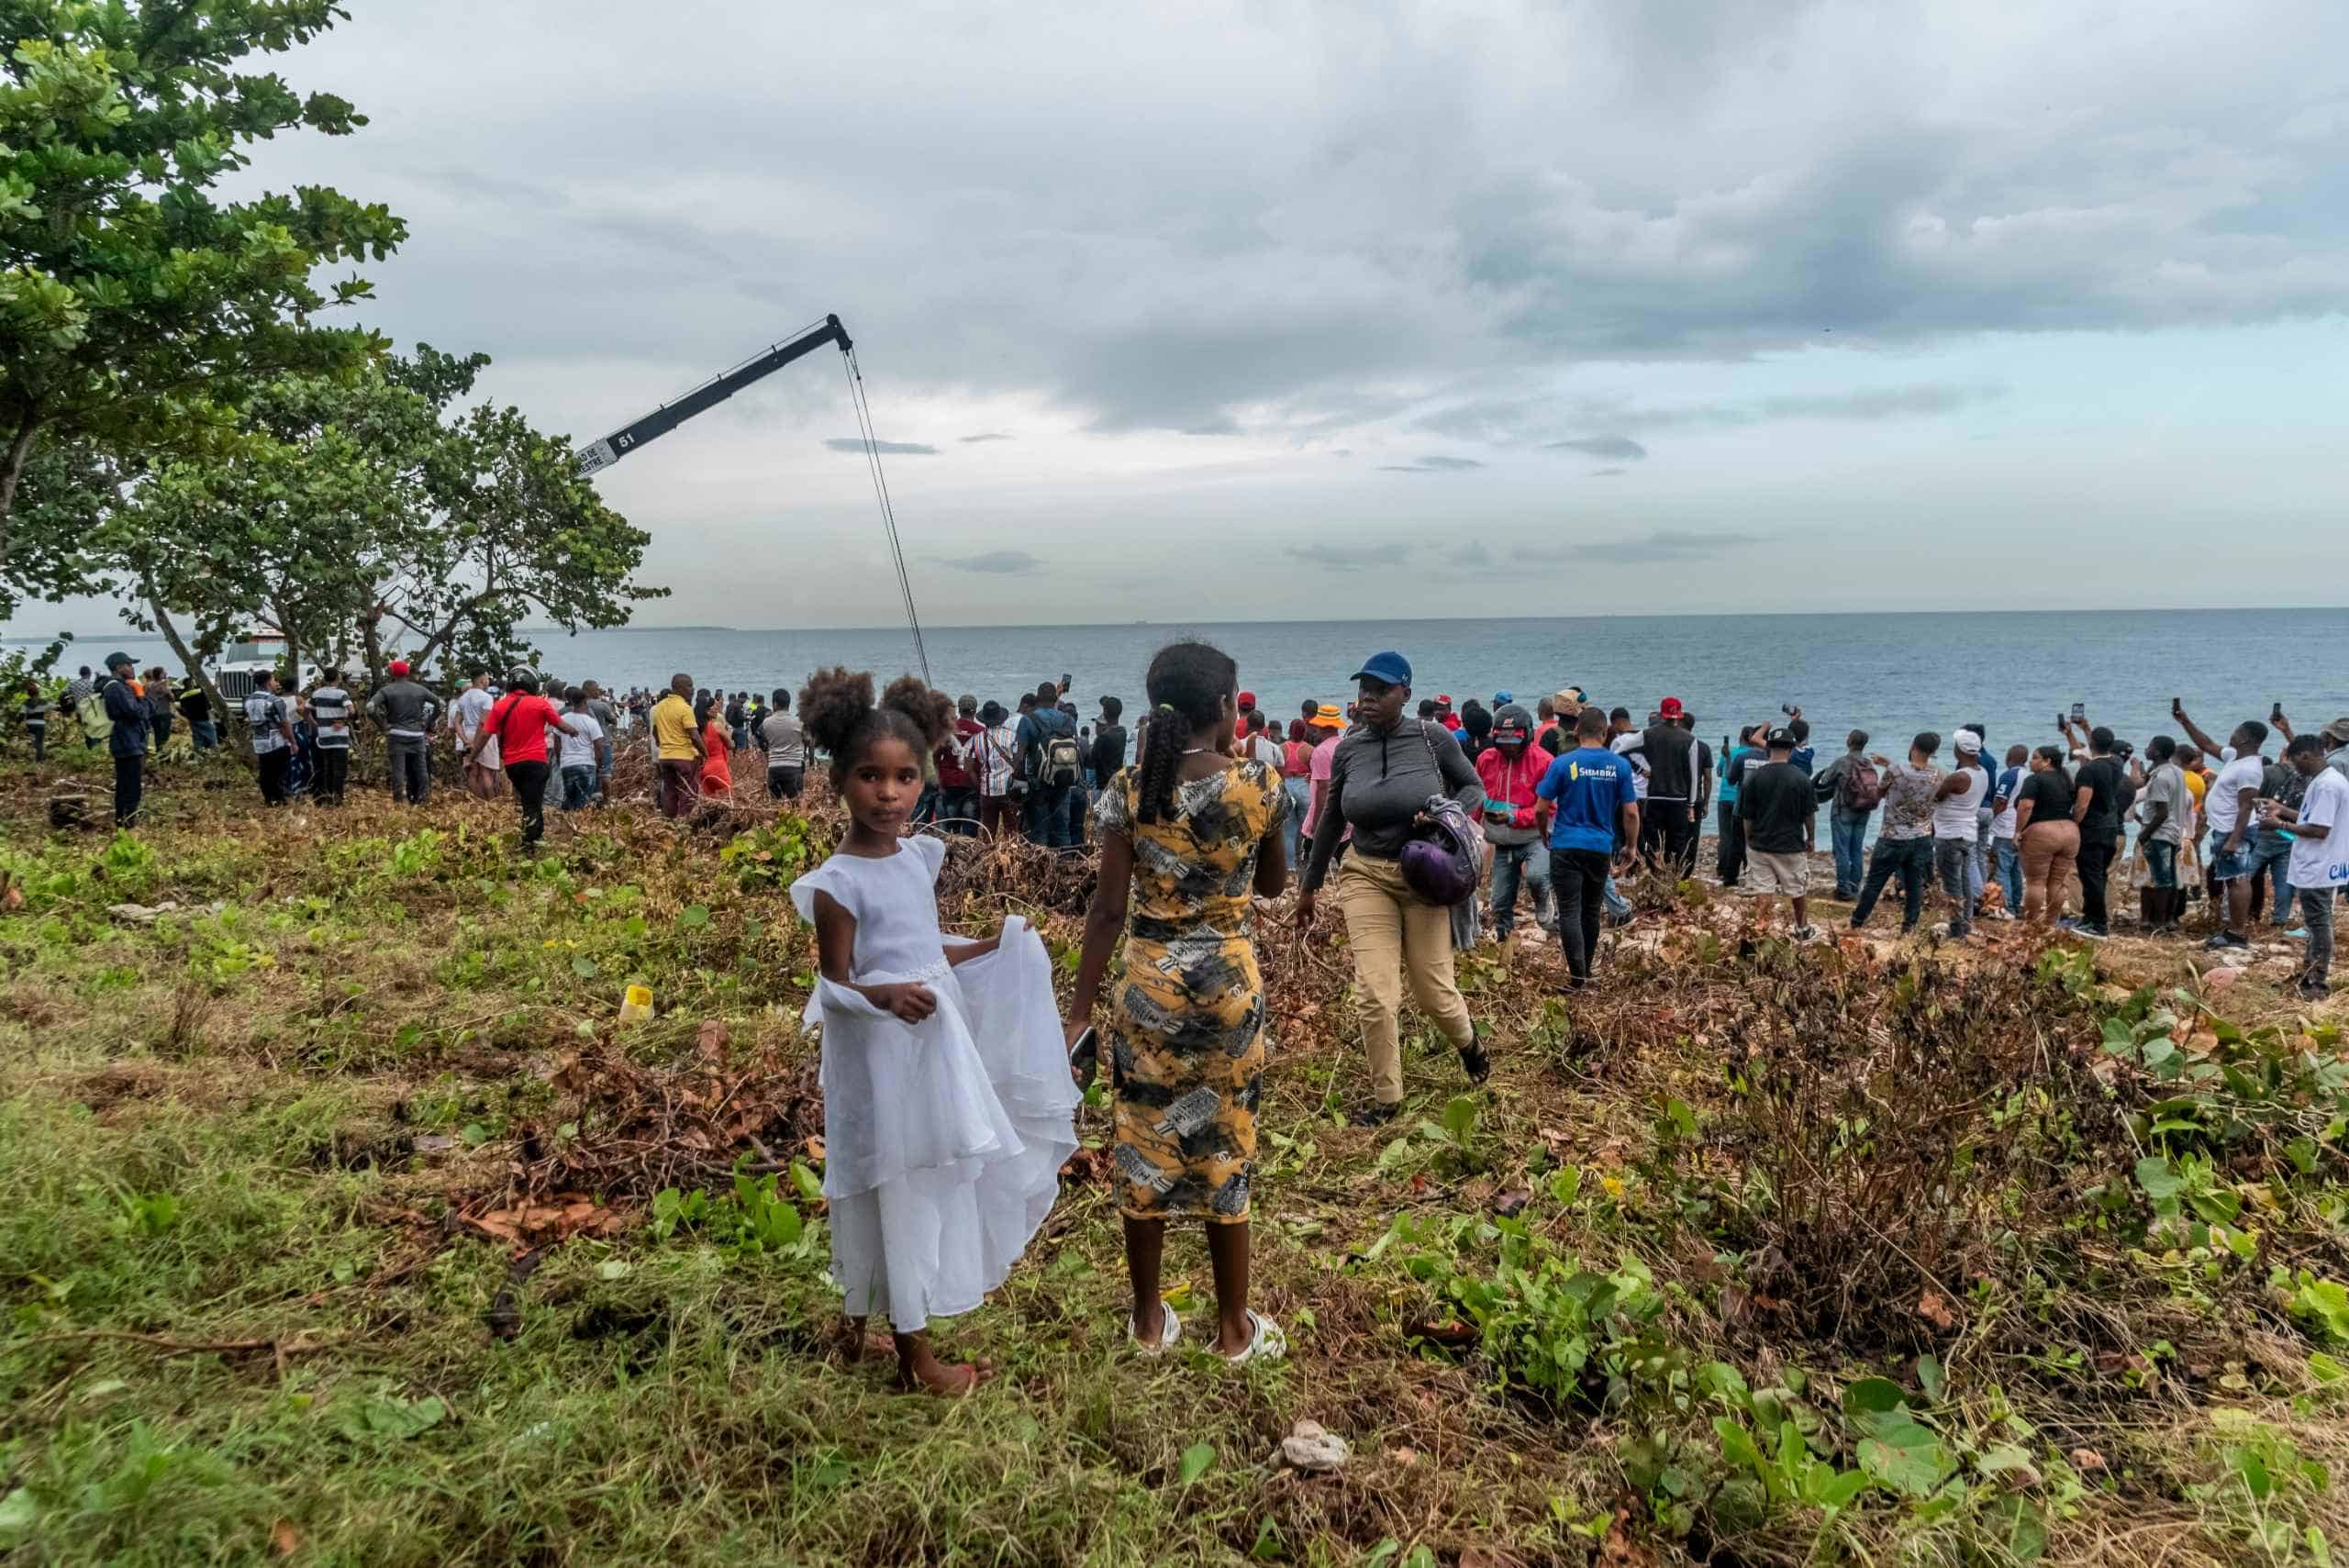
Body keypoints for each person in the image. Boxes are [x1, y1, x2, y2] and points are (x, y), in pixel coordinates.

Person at [790, 667, 1074, 1395]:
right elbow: (836, 983)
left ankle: (857, 1332)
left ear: (925, 778)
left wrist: (993, 947)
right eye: (869, 776)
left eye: (905, 776)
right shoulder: (837, 882)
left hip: (929, 1052)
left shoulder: (917, 856)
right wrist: (880, 996)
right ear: (837, 781)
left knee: (910, 1177)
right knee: (885, 1180)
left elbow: (923, 947)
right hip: (876, 1057)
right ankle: (914, 1356)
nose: (888, 793)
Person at [1066, 640, 1287, 1362]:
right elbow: (1273, 886)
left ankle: (1147, 1325)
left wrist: (1078, 1009)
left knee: (1144, 1147)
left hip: (1148, 983)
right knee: (1225, 1144)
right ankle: (1233, 1330)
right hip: (1228, 989)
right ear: (1225, 707)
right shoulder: (1260, 783)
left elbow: (1104, 912)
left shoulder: (1132, 787)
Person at [1297, 651, 1487, 1121]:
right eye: (1365, 689)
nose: (1370, 698)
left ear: (1405, 693)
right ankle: (1388, 1099)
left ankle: (1470, 1045)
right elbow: (1331, 817)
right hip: (1364, 873)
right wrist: (1309, 885)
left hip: (1424, 876)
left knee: (1433, 993)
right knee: (1376, 994)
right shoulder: (1348, 749)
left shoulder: (1432, 738)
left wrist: (1444, 812)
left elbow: (1474, 788)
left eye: (1381, 690)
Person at [1536, 706, 1640, 984]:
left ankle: (1577, 976)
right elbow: (1631, 813)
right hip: (1599, 846)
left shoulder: (1562, 764)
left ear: (1577, 731)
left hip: (1566, 844)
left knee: (1569, 910)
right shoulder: (1619, 766)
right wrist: (1631, 846)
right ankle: (1587, 971)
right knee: (1591, 910)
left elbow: (1540, 808)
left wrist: (1544, 833)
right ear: (1606, 733)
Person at [2172, 703, 2268, 951]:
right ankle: (2233, 928)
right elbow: (2206, 744)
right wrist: (2185, 720)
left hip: (2234, 830)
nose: (2232, 734)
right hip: (2225, 828)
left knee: (2238, 879)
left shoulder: (2249, 769)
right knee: (2233, 878)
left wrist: (2234, 839)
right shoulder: (2235, 757)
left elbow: (2246, 807)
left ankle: (2237, 933)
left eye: (2236, 732)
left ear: (2246, 738)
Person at [2262, 734, 2346, 1000]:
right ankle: (2308, 972)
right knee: (2315, 922)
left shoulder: (2327, 786)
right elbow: (2312, 817)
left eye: (2294, 760)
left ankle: (2317, 982)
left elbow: (2319, 829)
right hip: (2320, 861)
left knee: (2320, 923)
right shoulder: (2324, 782)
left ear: (2305, 756)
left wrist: (2280, 825)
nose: (2294, 767)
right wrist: (2282, 809)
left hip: (2320, 862)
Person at [467, 668, 574, 850]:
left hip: (513, 765)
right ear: (532, 684)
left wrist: (473, 756)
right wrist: (575, 731)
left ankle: (533, 836)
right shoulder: (540, 704)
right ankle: (530, 841)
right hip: (536, 762)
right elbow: (561, 725)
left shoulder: (500, 705)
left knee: (528, 799)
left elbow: (485, 735)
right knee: (533, 803)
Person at [1849, 733, 1943, 936]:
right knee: (1914, 884)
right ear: (1933, 752)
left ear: (1912, 745)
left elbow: (1879, 794)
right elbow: (1916, 778)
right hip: (1922, 837)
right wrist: (1888, 765)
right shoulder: (1940, 775)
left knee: (1875, 882)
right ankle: (1909, 928)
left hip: (1893, 837)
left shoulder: (1895, 771)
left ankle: (1856, 924)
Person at [1477, 705, 1552, 943]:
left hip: (1534, 838)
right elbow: (1477, 796)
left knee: (1538, 877)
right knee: (1499, 901)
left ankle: (1543, 902)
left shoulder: (1543, 761)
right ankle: (1503, 941)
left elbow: (1550, 808)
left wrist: (1514, 817)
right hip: (1502, 842)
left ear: (1527, 736)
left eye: (1514, 741)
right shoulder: (1486, 759)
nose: (1509, 746)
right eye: (1503, 741)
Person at [1739, 726, 1818, 939]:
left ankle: (1761, 930)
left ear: (1768, 748)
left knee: (1763, 890)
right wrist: (1811, 839)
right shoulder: (1801, 779)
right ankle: (1802, 929)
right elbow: (1809, 815)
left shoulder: (1753, 779)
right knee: (1797, 890)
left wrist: (1749, 841)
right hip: (1791, 844)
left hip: (1760, 844)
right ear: (1791, 750)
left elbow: (1747, 817)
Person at [1625, 697, 1702, 875]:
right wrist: (1691, 805)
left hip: (1654, 797)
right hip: (1678, 799)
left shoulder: (1648, 734)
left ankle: (1655, 876)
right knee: (1676, 843)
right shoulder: (1690, 739)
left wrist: (1639, 768)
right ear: (1678, 715)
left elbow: (1622, 749)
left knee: (1653, 842)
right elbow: (1693, 776)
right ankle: (1674, 879)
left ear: (1662, 713)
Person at [2066, 727, 2127, 939]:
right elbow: (2097, 746)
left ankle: (2098, 924)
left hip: (2092, 828)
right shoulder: (2117, 764)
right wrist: (2084, 727)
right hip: (2111, 827)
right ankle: (2090, 918)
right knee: (2099, 876)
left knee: (2090, 877)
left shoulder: (2088, 771)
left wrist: (2073, 825)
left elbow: (2082, 804)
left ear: (2091, 745)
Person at [2010, 746, 2080, 928]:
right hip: (2070, 831)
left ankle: (2031, 924)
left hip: (2043, 832)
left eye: (2034, 758)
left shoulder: (2035, 780)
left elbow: (2025, 806)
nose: (2030, 761)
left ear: (2047, 761)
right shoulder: (2066, 780)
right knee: (2057, 882)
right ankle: (2050, 923)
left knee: (2036, 882)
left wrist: (2018, 831)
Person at [1927, 731, 1987, 939]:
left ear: (1958, 750)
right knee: (1965, 883)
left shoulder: (1958, 776)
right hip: (1968, 833)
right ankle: (1967, 923)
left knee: (1952, 885)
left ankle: (1957, 930)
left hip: (1950, 835)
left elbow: (1936, 797)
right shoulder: (1983, 773)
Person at [1016, 681, 1082, 849]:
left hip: (1037, 784)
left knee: (1038, 833)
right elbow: (1075, 750)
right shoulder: (1069, 720)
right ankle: (1067, 869)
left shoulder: (1027, 720)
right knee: (1062, 831)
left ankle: (1043, 871)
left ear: (1037, 699)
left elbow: (1020, 756)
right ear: (1055, 699)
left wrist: (1019, 781)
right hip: (1063, 782)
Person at [1812, 729, 1877, 901]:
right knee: (1856, 850)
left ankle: (1843, 888)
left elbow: (1825, 781)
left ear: (1849, 742)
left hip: (1843, 810)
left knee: (1842, 851)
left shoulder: (1842, 762)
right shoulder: (1868, 764)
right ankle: (1855, 887)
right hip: (1864, 811)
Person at [368, 660, 441, 806]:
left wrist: (382, 725)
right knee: (421, 769)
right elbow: (440, 703)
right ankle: (424, 799)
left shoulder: (387, 690)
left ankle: (399, 802)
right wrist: (428, 722)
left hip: (397, 735)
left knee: (398, 771)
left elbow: (370, 707)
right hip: (417, 734)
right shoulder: (420, 689)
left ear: (392, 674)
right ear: (408, 673)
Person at [98, 654, 149, 826]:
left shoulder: (118, 686)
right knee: (130, 784)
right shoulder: (117, 688)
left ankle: (124, 818)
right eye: (129, 665)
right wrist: (141, 695)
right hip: (128, 740)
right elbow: (136, 712)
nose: (132, 668)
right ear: (119, 667)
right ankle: (127, 820)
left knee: (126, 782)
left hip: (127, 739)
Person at [650, 673, 705, 819]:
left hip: (665, 757)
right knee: (688, 793)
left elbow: (655, 732)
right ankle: (684, 824)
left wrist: (661, 743)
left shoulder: (659, 707)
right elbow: (694, 735)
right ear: (679, 687)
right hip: (684, 758)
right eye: (689, 686)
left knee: (669, 792)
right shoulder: (685, 708)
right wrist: (705, 753)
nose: (692, 689)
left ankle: (669, 822)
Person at [241, 669, 297, 806]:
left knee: (265, 772)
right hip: (276, 741)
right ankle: (279, 799)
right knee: (280, 772)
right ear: (268, 682)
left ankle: (268, 799)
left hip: (259, 741)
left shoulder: (248, 700)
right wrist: (293, 742)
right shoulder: (274, 700)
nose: (275, 683)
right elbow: (284, 723)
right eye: (273, 680)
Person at [1303, 703, 1345, 867]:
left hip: (1326, 815)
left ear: (1320, 726)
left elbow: (1323, 788)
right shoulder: (1344, 745)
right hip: (1344, 814)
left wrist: (1316, 825)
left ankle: (1307, 891)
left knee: (1311, 863)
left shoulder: (1321, 751)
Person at [1989, 744, 2029, 918]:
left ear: (2009, 758)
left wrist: (1992, 817)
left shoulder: (2009, 775)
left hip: (2006, 827)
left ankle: (2006, 907)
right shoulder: (2031, 775)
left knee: (2002, 868)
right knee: (2016, 868)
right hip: (2023, 827)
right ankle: (2016, 903)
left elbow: (2000, 800)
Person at [1716, 725, 1759, 886]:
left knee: (1726, 837)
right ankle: (1748, 867)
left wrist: (1726, 758)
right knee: (1747, 837)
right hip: (1742, 800)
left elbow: (1721, 773)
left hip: (1725, 798)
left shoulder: (1731, 753)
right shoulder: (1753, 756)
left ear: (1740, 737)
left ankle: (1723, 869)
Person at [557, 685, 607, 810]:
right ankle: (579, 824)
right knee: (583, 802)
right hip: (586, 764)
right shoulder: (591, 722)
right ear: (585, 701)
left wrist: (560, 761)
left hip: (567, 764)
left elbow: (557, 745)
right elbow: (599, 749)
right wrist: (599, 766)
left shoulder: (562, 720)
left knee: (570, 799)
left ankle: (569, 823)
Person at [451, 672, 501, 800]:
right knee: (486, 773)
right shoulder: (486, 698)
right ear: (482, 680)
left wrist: (465, 740)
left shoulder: (463, 698)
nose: (488, 681)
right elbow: (484, 723)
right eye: (487, 678)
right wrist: (477, 741)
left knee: (473, 773)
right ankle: (491, 805)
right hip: (484, 736)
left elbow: (457, 722)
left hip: (468, 734)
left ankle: (477, 803)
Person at [308, 670, 354, 806]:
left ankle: (327, 797)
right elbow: (352, 711)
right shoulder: (342, 694)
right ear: (338, 678)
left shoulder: (316, 693)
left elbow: (305, 710)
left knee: (327, 768)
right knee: (339, 769)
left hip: (323, 737)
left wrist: (314, 724)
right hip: (339, 738)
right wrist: (342, 722)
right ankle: (338, 799)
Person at [974, 700, 1019, 837]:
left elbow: (969, 767)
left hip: (987, 791)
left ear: (984, 720)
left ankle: (988, 855)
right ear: (1001, 718)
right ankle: (1010, 854)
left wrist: (979, 785)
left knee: (988, 829)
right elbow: (1020, 760)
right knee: (1011, 829)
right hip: (1008, 790)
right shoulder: (1012, 736)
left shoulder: (976, 739)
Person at [1278, 717, 1315, 869]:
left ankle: (1290, 866)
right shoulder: (1310, 749)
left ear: (1289, 731)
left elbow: (1277, 770)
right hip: (1303, 786)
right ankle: (1307, 860)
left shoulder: (1281, 748)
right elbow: (1314, 772)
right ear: (1304, 732)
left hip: (1286, 785)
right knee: (1307, 827)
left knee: (1289, 830)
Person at [761, 688, 807, 801]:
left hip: (774, 768)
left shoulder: (766, 723)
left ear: (775, 704)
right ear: (789, 703)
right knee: (796, 805)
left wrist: (767, 753)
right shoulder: (799, 722)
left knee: (776, 807)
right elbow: (809, 740)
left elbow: (761, 740)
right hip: (794, 767)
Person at [582, 681, 621, 802]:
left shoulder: (579, 706)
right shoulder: (601, 705)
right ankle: (606, 801)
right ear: (589, 691)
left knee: (590, 771)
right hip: (603, 742)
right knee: (605, 772)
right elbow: (614, 720)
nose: (598, 691)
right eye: (596, 689)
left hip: (586, 743)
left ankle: (590, 799)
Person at [696, 693, 733, 798]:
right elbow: (731, 745)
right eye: (713, 705)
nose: (716, 707)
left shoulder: (697, 729)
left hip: (703, 769)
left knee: (711, 800)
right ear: (707, 710)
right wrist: (729, 733)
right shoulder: (716, 726)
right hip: (718, 766)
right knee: (728, 797)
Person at [176, 676, 216, 751]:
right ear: (192, 684)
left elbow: (183, 710)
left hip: (192, 720)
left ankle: (199, 752)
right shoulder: (200, 693)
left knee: (197, 737)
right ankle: (213, 752)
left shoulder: (182, 697)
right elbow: (208, 706)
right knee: (211, 736)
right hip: (203, 718)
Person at [61, 665, 97, 750]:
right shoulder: (92, 684)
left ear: (80, 674)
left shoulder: (73, 684)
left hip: (79, 712)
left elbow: (63, 693)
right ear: (89, 673)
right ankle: (95, 748)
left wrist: (67, 705)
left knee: (87, 731)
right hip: (91, 711)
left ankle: (90, 748)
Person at [143, 669, 175, 753]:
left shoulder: (146, 686)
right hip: (164, 712)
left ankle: (159, 750)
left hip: (153, 713)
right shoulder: (162, 685)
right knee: (165, 733)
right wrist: (169, 691)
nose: (166, 673)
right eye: (164, 672)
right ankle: (163, 751)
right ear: (160, 675)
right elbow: (172, 698)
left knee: (157, 733)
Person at [20, 679, 49, 762]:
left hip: (30, 724)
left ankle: (33, 754)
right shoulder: (43, 702)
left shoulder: (26, 703)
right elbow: (55, 707)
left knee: (32, 740)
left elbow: (22, 714)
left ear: (28, 693)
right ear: (38, 693)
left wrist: (17, 722)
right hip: (40, 724)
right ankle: (40, 761)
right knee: (40, 742)